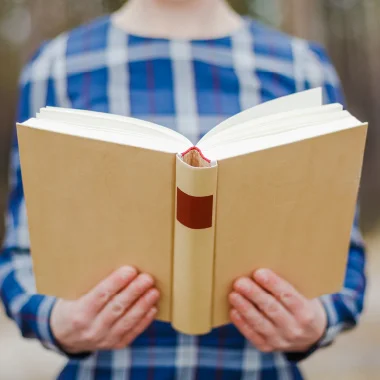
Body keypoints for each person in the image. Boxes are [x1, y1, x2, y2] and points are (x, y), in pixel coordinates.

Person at [0, 0, 366, 379]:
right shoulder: (57, 67)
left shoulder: (301, 67)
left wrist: (318, 320)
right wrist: (58, 321)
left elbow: (344, 254)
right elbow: (21, 254)